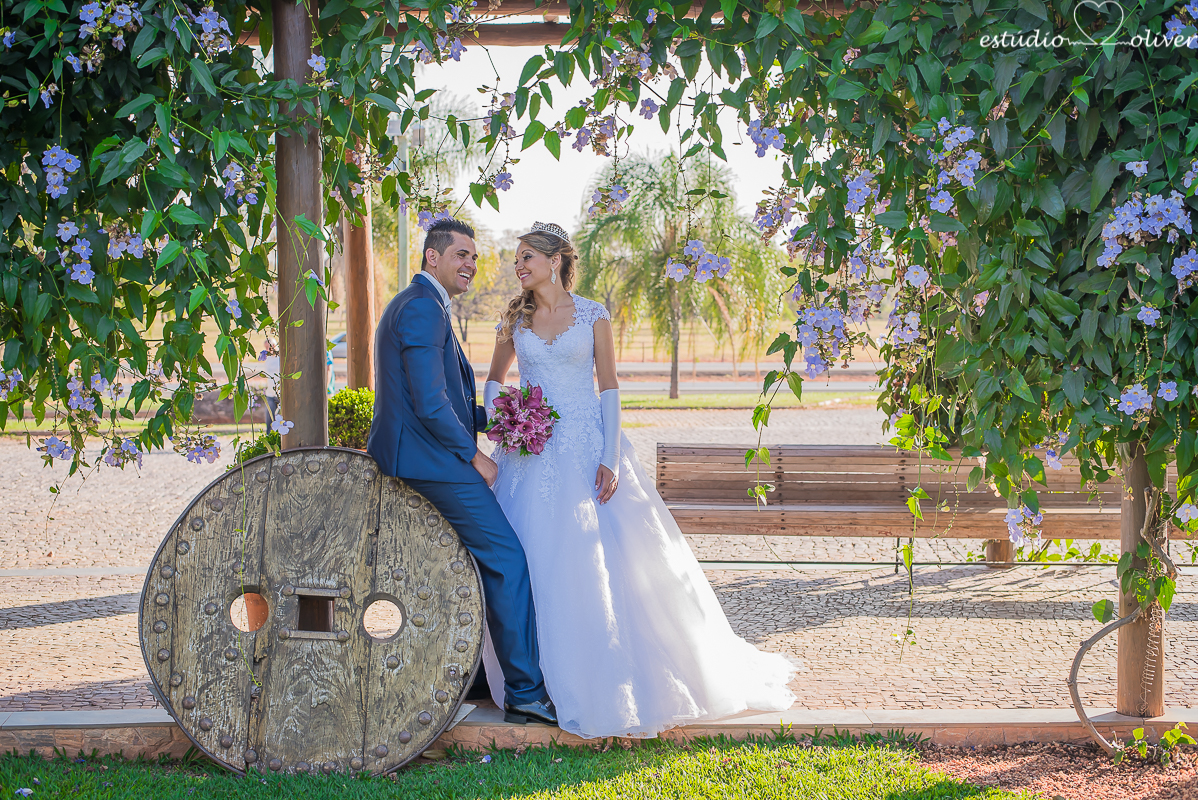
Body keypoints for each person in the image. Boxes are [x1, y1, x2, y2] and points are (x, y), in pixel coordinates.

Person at [479, 222, 796, 739]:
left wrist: (610, 456)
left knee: (603, 563)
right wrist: (506, 420)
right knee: (533, 560)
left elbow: (609, 387)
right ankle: (532, 682)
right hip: (531, 454)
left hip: (587, 450)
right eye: (517, 258)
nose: (519, 265)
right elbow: (494, 379)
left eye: (528, 256)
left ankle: (607, 678)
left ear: (556, 260)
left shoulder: (593, 315)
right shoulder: (514, 318)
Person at [366, 217, 557, 726]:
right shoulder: (424, 310)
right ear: (433, 257)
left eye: (474, 257)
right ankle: (524, 690)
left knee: (474, 561)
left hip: (422, 452)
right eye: (461, 255)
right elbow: (428, 405)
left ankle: (474, 676)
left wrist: (499, 418)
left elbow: (439, 398)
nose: (472, 264)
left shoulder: (423, 306)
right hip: (427, 461)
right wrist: (475, 455)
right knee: (506, 556)